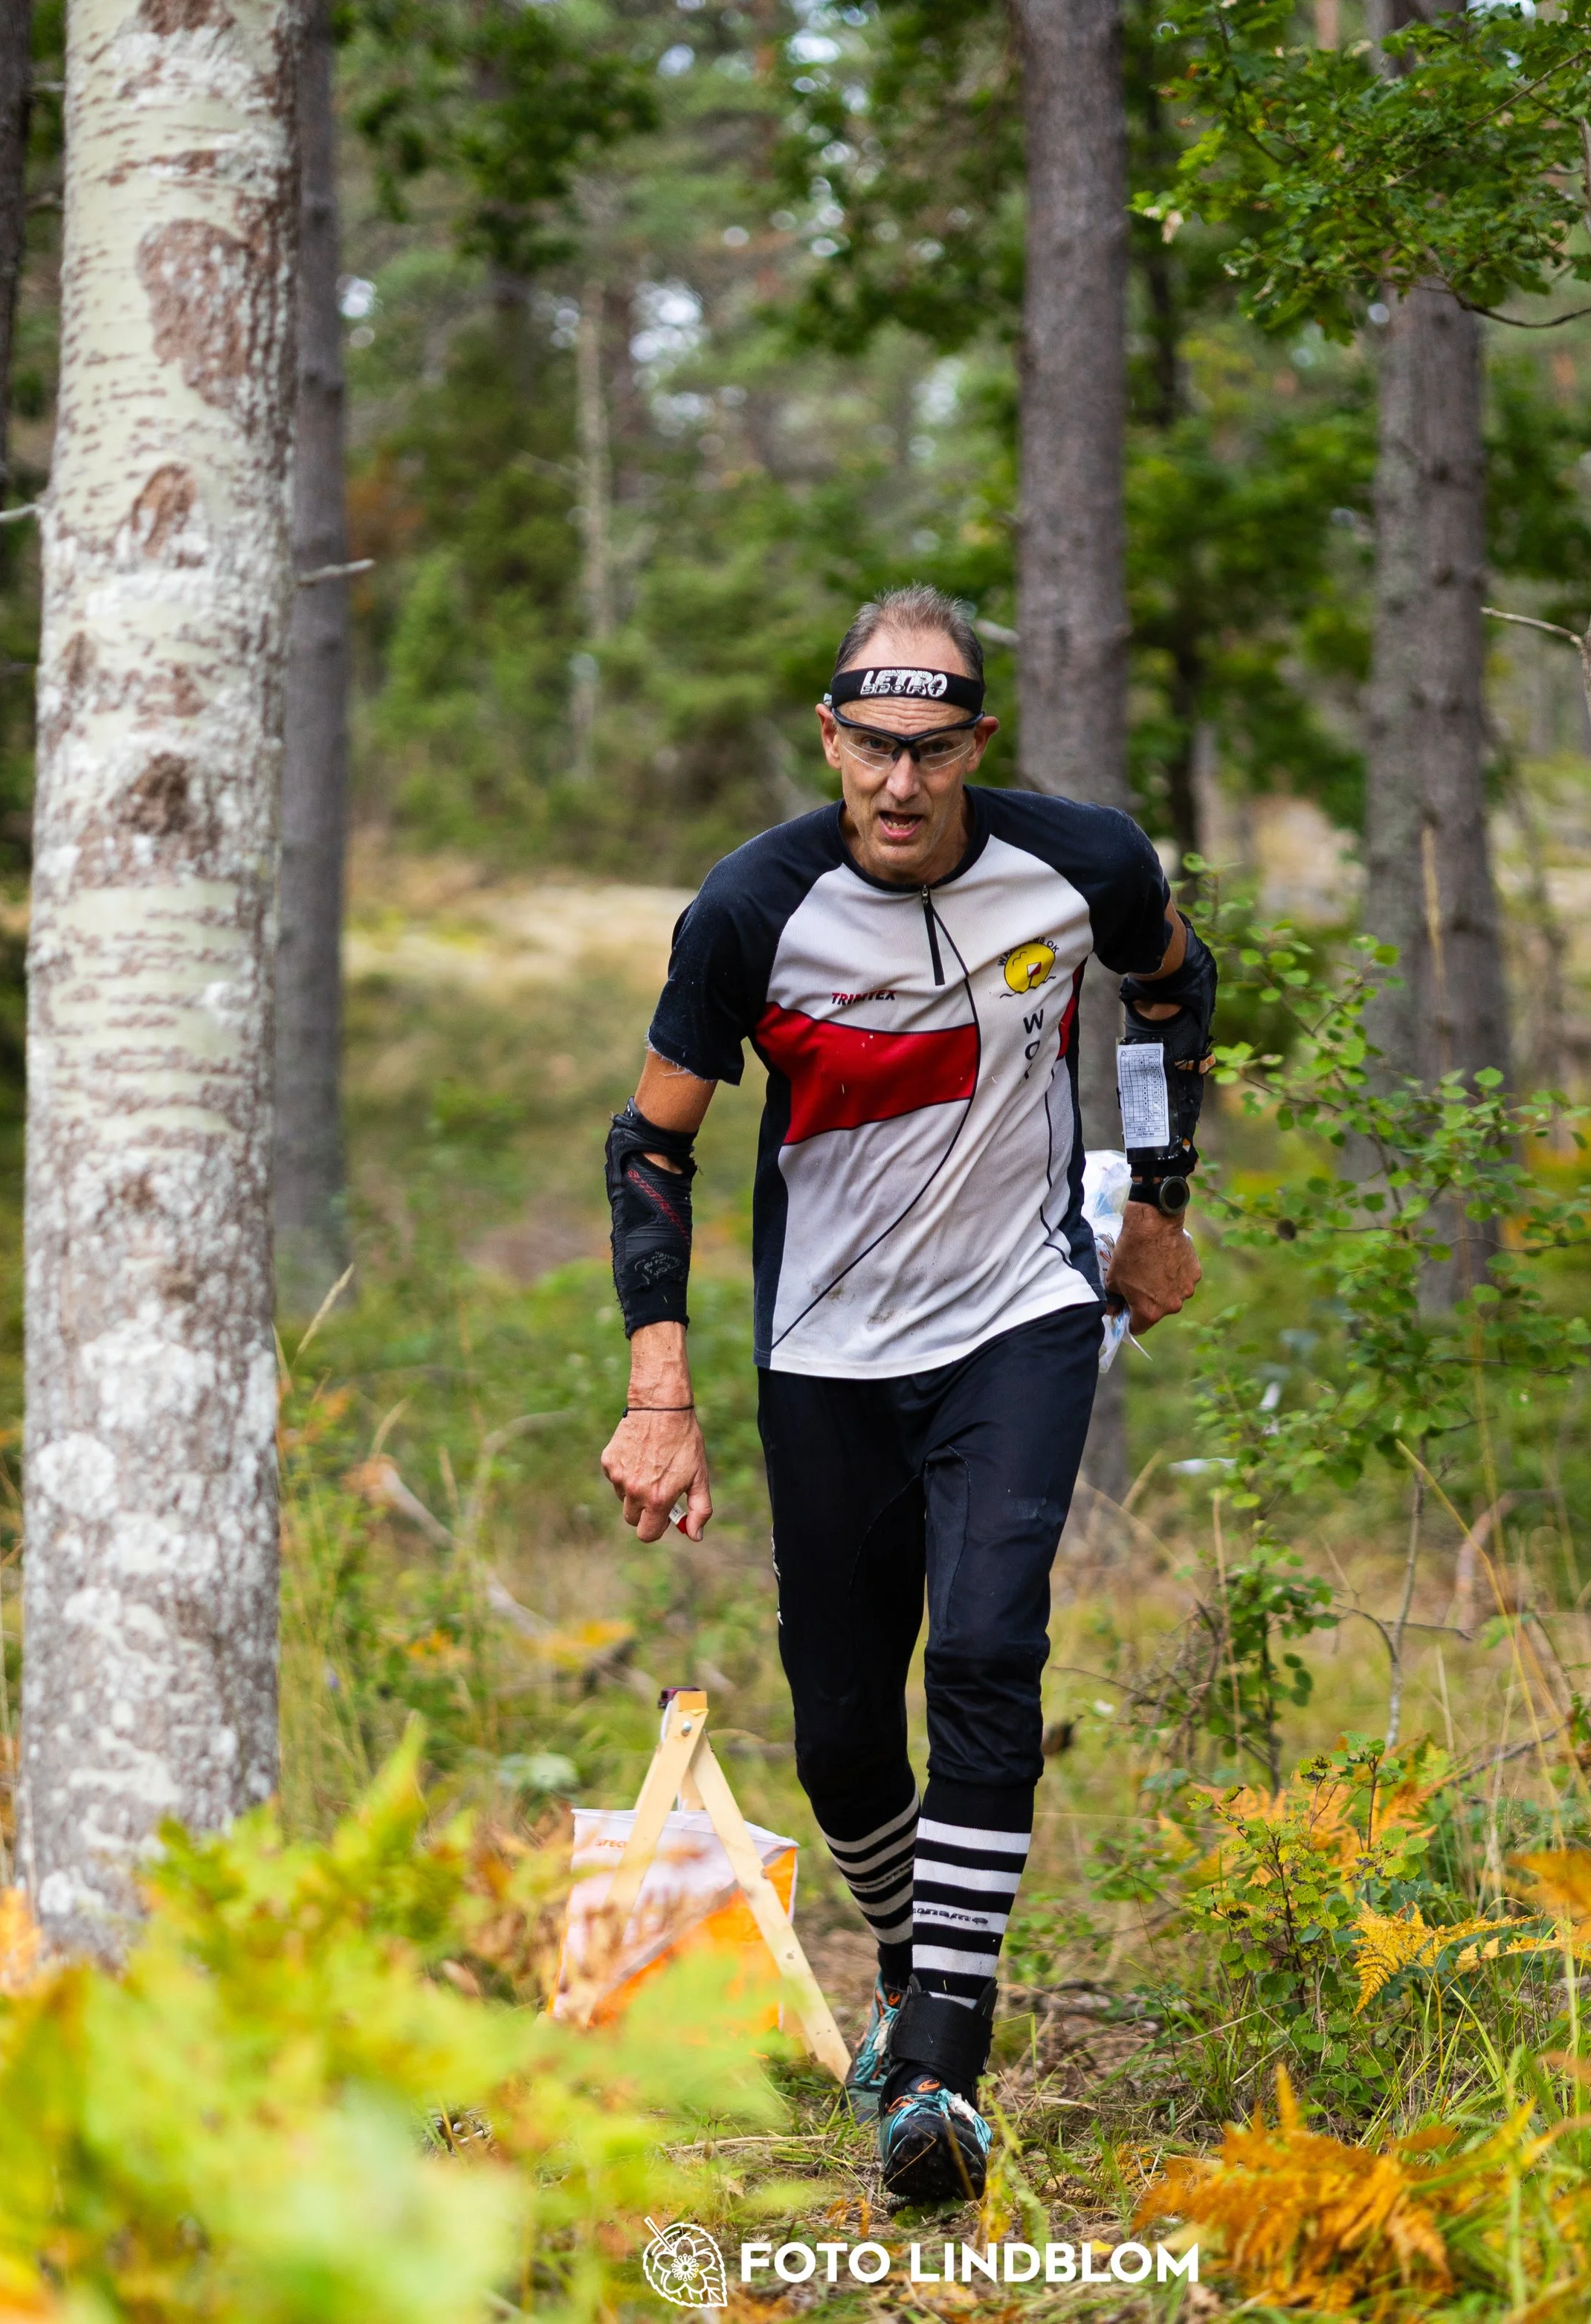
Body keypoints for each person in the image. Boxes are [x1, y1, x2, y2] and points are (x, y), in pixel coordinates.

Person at [600, 583, 1213, 2203]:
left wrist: (1152, 1196)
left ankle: (939, 2062)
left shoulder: (1078, 861)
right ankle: (902, 1951)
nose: (898, 782)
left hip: (1014, 1318)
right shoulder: (751, 908)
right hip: (825, 1350)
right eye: (870, 747)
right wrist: (658, 1380)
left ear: (973, 747)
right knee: (842, 1732)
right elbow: (649, 1141)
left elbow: (1167, 988)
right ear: (828, 739)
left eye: (931, 749)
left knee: (996, 1647)